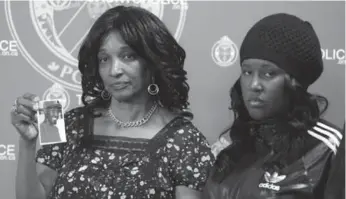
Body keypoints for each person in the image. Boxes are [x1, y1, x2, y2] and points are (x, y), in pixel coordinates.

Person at [11, 5, 214, 199]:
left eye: (128, 56)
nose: (114, 70)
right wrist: (28, 143)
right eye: (104, 59)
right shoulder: (65, 123)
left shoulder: (186, 141)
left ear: (153, 62)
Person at [202, 13, 344, 199]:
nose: (254, 85)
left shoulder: (327, 149)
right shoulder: (230, 150)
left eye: (268, 74)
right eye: (247, 72)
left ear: (296, 82)